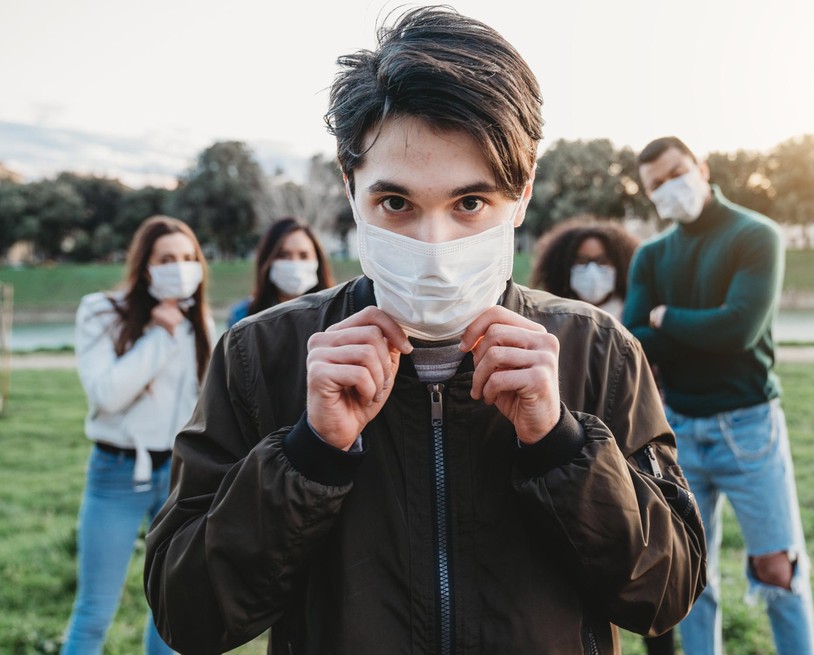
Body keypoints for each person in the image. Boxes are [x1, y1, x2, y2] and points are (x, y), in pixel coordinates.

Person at [144, 9, 705, 654]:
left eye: (470, 203)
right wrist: (310, 453)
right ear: (351, 188)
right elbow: (187, 616)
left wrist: (561, 445)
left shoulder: (597, 350)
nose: (434, 245)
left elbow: (665, 594)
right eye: (397, 203)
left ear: (521, 195)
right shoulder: (261, 354)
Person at [624, 136, 814, 655]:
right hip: (679, 428)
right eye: (656, 185)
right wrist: (690, 327)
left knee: (777, 569)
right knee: (692, 575)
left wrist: (666, 318)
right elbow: (634, 340)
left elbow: (739, 330)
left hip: (749, 425)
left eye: (676, 173)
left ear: (702, 167)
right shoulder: (651, 256)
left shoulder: (756, 235)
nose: (671, 188)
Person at [62, 215, 215, 654]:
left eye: (188, 258)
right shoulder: (100, 310)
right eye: (167, 258)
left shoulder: (199, 321)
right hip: (116, 474)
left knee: (170, 611)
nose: (180, 267)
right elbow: (106, 394)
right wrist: (159, 335)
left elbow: (202, 404)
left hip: (178, 476)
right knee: (94, 610)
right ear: (145, 265)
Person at [532, 220, 677, 655]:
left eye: (602, 262)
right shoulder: (545, 324)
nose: (592, 271)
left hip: (634, 442)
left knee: (648, 551)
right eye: (581, 263)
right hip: (574, 454)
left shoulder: (633, 320)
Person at [226, 217, 335, 327]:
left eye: (304, 256)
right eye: (283, 255)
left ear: (318, 260)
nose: (294, 264)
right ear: (267, 260)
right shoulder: (242, 317)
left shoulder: (336, 313)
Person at [530, 220, 639, 320]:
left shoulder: (634, 316)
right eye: (582, 261)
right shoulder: (549, 316)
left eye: (602, 261)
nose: (592, 270)